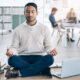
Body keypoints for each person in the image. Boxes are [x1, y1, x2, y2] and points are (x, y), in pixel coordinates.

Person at [5, 2, 57, 79]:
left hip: (39, 57)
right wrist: (11, 52)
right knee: (11, 60)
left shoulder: (44, 28)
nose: (30, 14)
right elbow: (14, 46)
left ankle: (19, 72)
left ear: (37, 13)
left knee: (50, 59)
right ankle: (41, 69)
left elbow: (48, 46)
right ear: (24, 13)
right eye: (27, 12)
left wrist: (51, 51)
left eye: (33, 12)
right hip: (23, 57)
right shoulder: (17, 30)